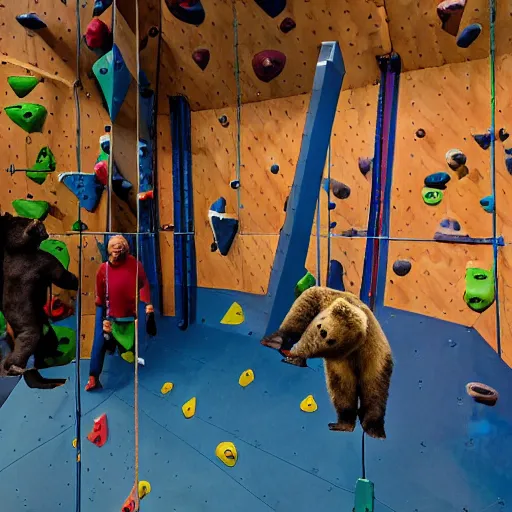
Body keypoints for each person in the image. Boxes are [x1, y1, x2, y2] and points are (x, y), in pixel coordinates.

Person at [85, 235, 156, 391]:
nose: (117, 247)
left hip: (127, 311)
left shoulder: (135, 265)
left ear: (127, 248)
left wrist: (147, 304)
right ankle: (93, 377)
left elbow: (143, 284)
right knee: (100, 340)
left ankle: (125, 352)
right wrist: (102, 314)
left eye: (120, 244)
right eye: (113, 245)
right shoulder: (103, 269)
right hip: (106, 310)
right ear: (108, 250)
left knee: (128, 338)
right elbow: (100, 292)